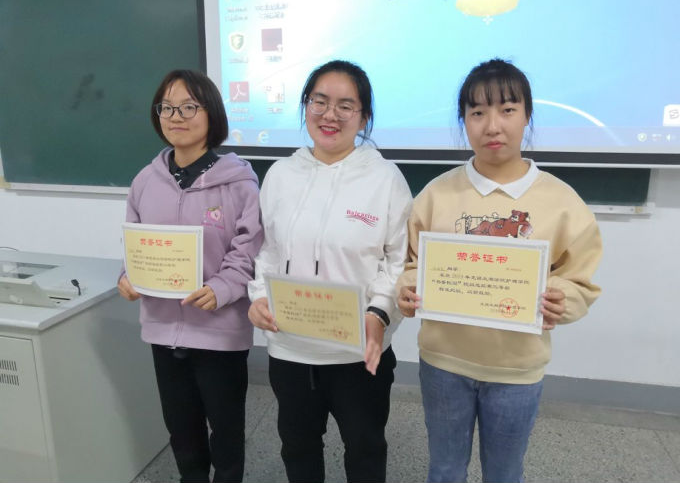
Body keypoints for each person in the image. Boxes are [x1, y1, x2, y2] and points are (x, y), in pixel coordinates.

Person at [397, 58, 602, 483]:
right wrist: (408, 289)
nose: (493, 125)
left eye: (507, 109)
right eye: (477, 112)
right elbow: (410, 264)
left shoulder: (561, 201)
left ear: (527, 115)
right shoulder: (436, 195)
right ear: (464, 121)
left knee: (505, 473)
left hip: (517, 370)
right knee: (445, 469)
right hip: (443, 363)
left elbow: (579, 279)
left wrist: (562, 299)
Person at [247, 59, 413, 483]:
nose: (329, 115)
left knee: (365, 449)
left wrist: (378, 313)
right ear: (306, 106)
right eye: (319, 101)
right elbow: (268, 249)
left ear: (364, 116)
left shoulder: (385, 179)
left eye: (345, 105)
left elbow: (397, 259)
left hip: (358, 350)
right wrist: (258, 297)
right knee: (298, 448)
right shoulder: (281, 175)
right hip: (291, 347)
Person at [117, 70, 263, 483]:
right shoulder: (145, 181)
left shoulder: (239, 184)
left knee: (226, 433)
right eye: (166, 108)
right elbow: (134, 243)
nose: (175, 117)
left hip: (219, 330)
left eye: (188, 107)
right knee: (181, 432)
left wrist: (223, 288)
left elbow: (249, 249)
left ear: (210, 113)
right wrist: (128, 275)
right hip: (163, 328)